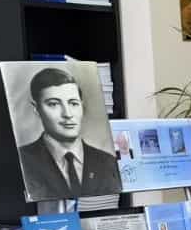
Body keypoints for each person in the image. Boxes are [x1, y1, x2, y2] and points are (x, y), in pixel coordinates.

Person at [16, 67, 121, 202]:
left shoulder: (108, 162)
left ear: (82, 107)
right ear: (36, 109)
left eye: (73, 103)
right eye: (53, 104)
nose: (67, 114)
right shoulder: (23, 161)